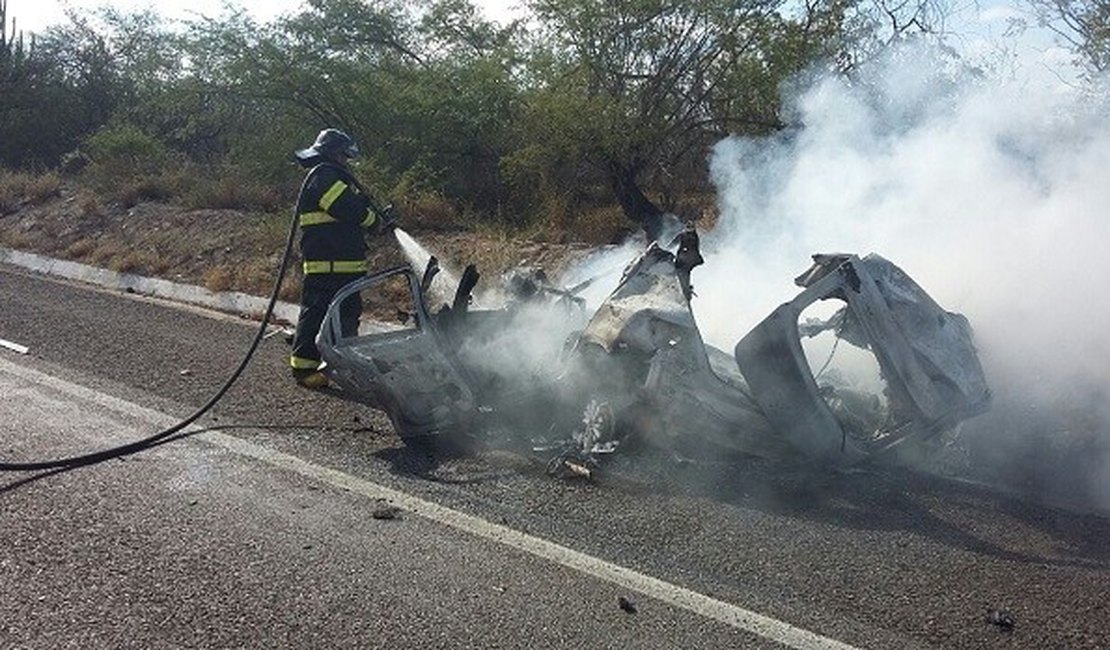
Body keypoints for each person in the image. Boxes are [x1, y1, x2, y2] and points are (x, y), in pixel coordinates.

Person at [289, 128, 395, 388]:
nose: (346, 162)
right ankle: (304, 370)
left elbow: (348, 209)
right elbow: (345, 208)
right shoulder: (323, 176)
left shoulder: (329, 177)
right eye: (344, 156)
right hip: (327, 266)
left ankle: (343, 365)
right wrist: (374, 220)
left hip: (342, 266)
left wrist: (372, 215)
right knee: (316, 314)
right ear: (334, 153)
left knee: (347, 315)